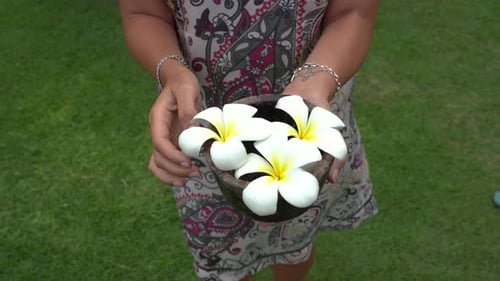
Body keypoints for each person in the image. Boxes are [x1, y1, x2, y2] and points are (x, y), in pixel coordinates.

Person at [119, 0, 379, 280]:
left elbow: (354, 11)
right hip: (206, 126)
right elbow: (142, 12)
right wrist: (172, 74)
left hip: (311, 117)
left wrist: (318, 80)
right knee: (224, 250)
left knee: (298, 231)